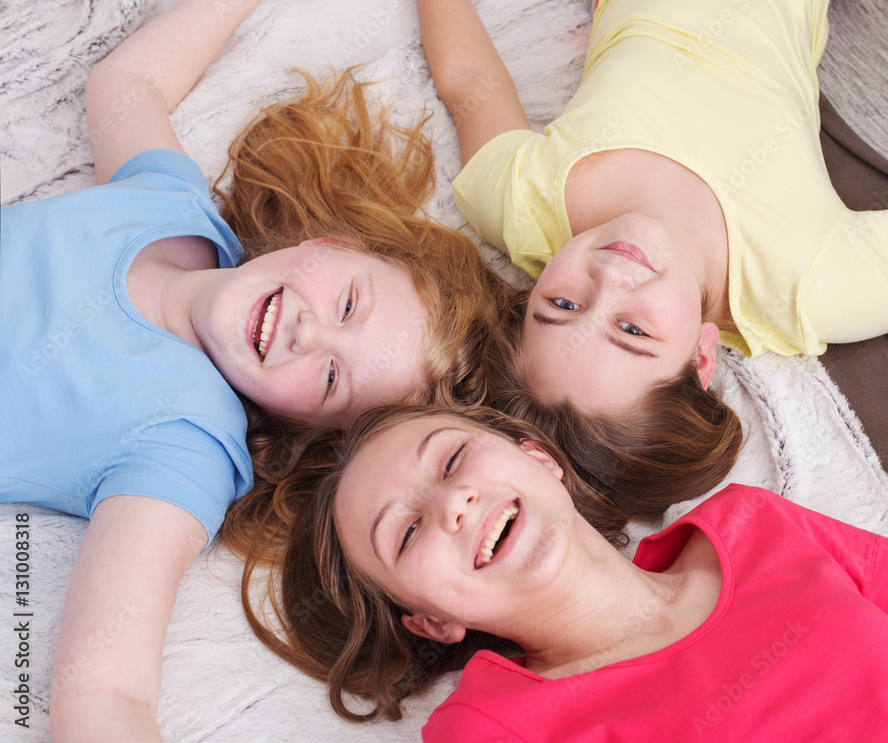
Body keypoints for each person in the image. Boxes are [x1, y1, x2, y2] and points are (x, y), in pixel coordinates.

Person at [0, 0, 510, 738]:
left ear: (302, 423)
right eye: (347, 300)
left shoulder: (184, 444)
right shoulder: (170, 207)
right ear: (329, 243)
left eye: (332, 378)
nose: (308, 332)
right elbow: (127, 84)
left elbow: (106, 689)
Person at [415, 0, 888, 518]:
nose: (612, 277)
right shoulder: (806, 283)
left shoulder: (523, 204)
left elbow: (469, 82)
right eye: (632, 328)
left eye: (563, 303)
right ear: (700, 356)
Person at [245, 403, 888, 740]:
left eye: (450, 459)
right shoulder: (493, 728)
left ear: (535, 456)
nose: (453, 504)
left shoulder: (755, 525)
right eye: (406, 531)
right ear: (432, 620)